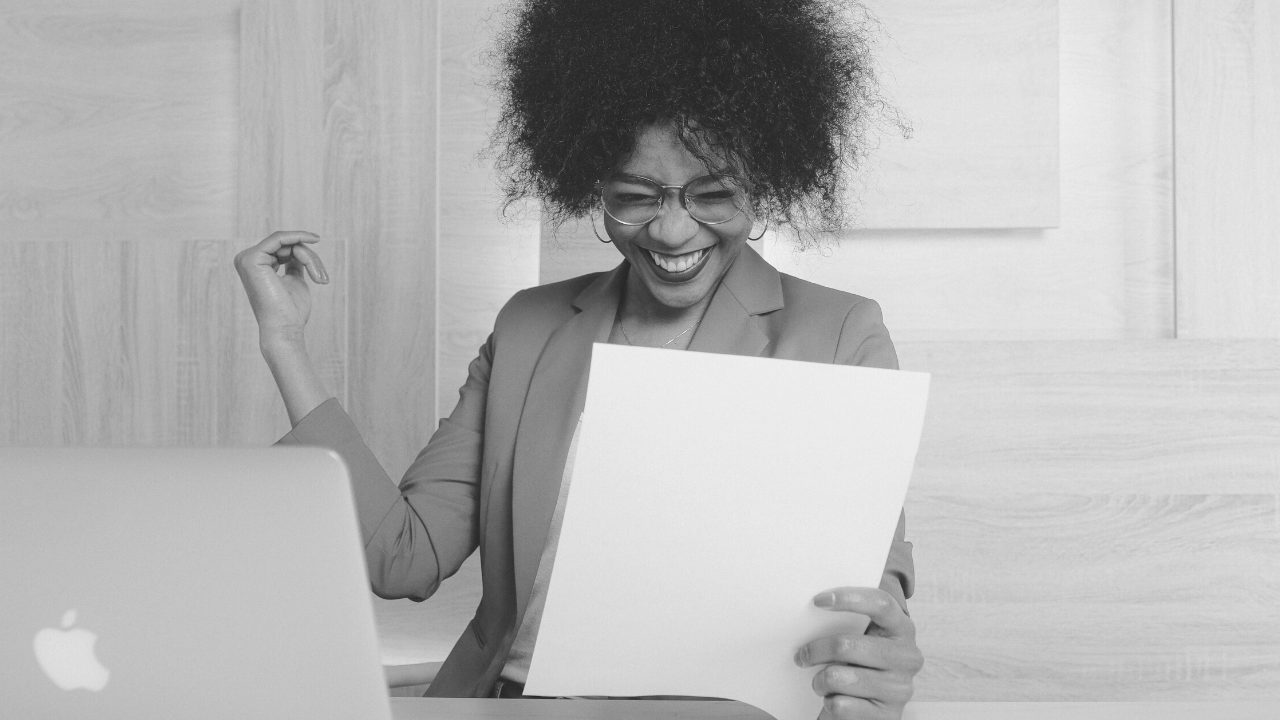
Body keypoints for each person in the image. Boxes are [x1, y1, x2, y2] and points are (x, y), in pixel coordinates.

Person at [234, 1, 923, 717]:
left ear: (764, 179)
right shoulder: (530, 328)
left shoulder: (841, 334)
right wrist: (284, 343)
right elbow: (402, 558)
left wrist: (879, 653)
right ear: (590, 180)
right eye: (635, 196)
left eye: (713, 194)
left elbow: (875, 585)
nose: (672, 228)